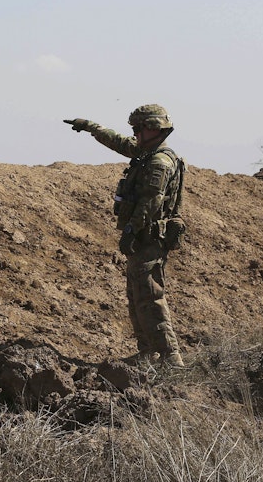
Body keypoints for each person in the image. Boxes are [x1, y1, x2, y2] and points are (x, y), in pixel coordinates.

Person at [64, 105, 186, 367]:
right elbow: (120, 143)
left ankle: (170, 357)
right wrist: (91, 127)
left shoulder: (158, 162)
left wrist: (131, 230)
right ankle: (148, 353)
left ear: (152, 128)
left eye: (138, 129)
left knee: (150, 296)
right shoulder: (148, 152)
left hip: (149, 237)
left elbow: (151, 201)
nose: (135, 134)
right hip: (143, 237)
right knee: (136, 295)